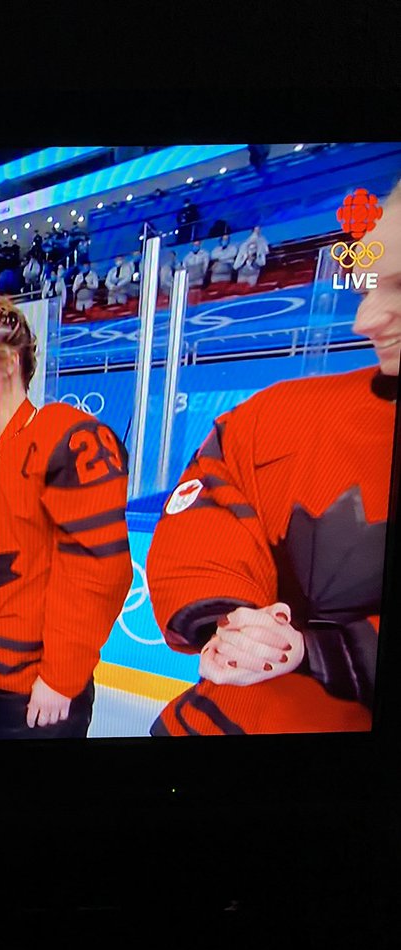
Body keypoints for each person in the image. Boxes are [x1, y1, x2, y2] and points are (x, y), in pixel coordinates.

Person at [145, 182, 401, 736]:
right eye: (370, 289)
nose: (367, 321)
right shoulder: (280, 414)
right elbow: (209, 493)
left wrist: (322, 653)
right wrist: (229, 618)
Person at [0, 295, 132, 740]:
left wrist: (62, 676)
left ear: (7, 362)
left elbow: (96, 569)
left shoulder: (67, 437)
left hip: (33, 689)